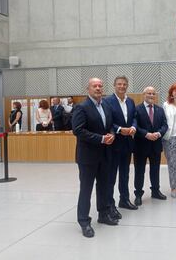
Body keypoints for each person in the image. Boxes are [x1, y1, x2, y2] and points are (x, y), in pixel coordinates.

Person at [72, 77, 118, 238]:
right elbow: (78, 130)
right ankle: (84, 221)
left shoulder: (105, 104)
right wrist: (101, 139)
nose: (98, 88)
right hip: (88, 156)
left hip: (105, 154)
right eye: (94, 86)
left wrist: (111, 134)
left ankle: (103, 214)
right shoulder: (81, 107)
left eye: (100, 86)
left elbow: (110, 124)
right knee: (86, 189)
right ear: (88, 89)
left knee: (104, 186)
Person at [103, 76, 137, 212]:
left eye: (124, 84)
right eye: (119, 84)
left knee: (125, 174)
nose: (122, 86)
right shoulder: (107, 101)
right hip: (114, 144)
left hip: (128, 143)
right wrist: (119, 130)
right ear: (114, 85)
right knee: (111, 176)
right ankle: (110, 204)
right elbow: (107, 121)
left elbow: (134, 117)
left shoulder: (131, 101)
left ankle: (124, 200)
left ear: (127, 85)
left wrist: (133, 127)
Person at [134, 86, 168, 205]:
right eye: (149, 93)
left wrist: (158, 134)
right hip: (141, 146)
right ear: (144, 95)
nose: (151, 95)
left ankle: (155, 191)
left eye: (153, 93)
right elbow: (135, 126)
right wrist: (146, 134)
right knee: (139, 171)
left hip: (156, 145)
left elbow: (165, 125)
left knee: (155, 170)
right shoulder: (136, 109)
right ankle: (138, 194)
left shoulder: (160, 110)